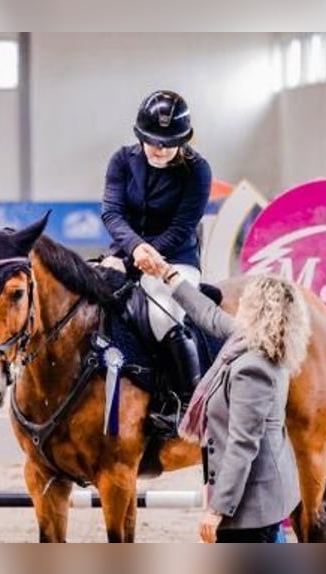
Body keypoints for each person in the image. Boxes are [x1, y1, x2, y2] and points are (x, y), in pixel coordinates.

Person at [144, 259, 309, 543]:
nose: (241, 301)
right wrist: (168, 275)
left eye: (249, 300)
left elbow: (242, 445)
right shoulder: (250, 340)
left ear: (258, 311)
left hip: (250, 506)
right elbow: (208, 314)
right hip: (265, 495)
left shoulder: (252, 367)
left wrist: (217, 509)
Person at [100, 90, 212, 432]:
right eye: (151, 140)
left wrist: (144, 260)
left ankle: (187, 403)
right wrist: (132, 252)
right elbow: (112, 212)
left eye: (168, 142)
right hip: (124, 251)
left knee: (165, 313)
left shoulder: (197, 171)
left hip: (177, 259)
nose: (159, 148)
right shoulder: (122, 160)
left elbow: (182, 228)